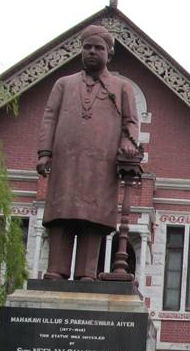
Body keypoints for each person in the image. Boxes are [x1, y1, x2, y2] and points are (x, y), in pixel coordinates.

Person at [36, 24, 140, 280]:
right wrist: (45, 152)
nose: (92, 52)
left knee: (92, 218)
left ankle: (86, 273)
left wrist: (128, 142)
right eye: (88, 47)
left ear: (109, 53)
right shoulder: (64, 84)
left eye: (99, 48)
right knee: (62, 213)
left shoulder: (121, 87)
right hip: (66, 161)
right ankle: (57, 270)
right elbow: (49, 116)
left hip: (100, 165)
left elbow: (131, 122)